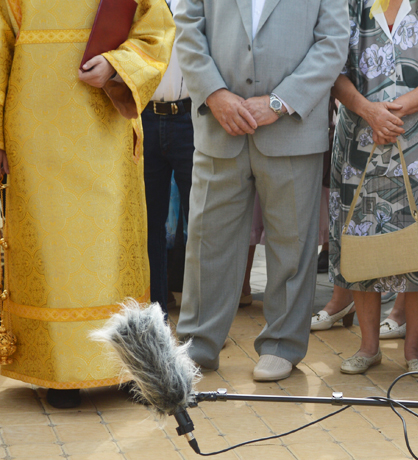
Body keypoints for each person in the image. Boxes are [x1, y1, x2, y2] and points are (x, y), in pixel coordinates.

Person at [0, 0, 174, 409]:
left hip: (104, 130)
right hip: (34, 133)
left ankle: (127, 365)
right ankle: (61, 373)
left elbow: (157, 30)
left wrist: (117, 65)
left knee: (109, 249)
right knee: (51, 253)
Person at [174, 0, 350, 381]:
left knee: (292, 243)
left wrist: (280, 102)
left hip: (292, 128)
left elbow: (333, 42)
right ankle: (196, 344)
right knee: (207, 239)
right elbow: (187, 28)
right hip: (219, 124)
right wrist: (214, 93)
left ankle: (282, 344)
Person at [327, 0, 418, 376]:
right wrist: (370, 112)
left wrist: (392, 110)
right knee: (360, 233)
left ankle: (415, 348)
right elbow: (332, 70)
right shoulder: (350, 6)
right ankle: (368, 346)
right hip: (360, 137)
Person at [144, 0, 194, 317]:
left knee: (201, 222)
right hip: (143, 116)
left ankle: (203, 318)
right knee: (149, 222)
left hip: (191, 117)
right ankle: (155, 311)